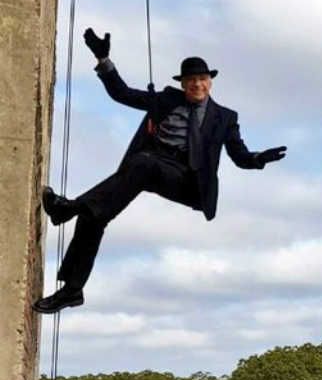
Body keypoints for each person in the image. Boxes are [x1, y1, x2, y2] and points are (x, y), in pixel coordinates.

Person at [33, 28, 287, 313]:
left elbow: (238, 155)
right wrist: (103, 58)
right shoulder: (166, 100)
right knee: (95, 215)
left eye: (202, 79)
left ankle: (68, 208)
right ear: (183, 84)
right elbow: (122, 94)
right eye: (191, 80)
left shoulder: (225, 118)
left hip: (187, 179)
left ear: (210, 82)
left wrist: (258, 158)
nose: (197, 85)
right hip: (151, 167)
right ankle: (72, 290)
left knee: (142, 163)